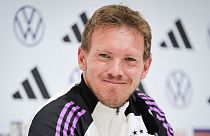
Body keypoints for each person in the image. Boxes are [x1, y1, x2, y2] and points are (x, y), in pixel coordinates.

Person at [29, 4, 173, 136]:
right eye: (105, 56)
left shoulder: (149, 111)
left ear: (145, 67)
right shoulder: (56, 119)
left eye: (129, 59)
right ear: (82, 59)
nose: (116, 71)